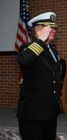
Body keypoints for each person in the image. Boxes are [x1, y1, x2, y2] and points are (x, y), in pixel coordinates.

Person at [17, 12, 62, 140]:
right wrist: (41, 39)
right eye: (49, 27)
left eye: (54, 27)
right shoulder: (27, 48)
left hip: (50, 112)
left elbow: (55, 75)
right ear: (38, 30)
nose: (54, 30)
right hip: (33, 114)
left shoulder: (52, 50)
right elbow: (24, 60)